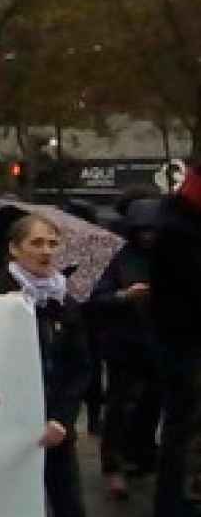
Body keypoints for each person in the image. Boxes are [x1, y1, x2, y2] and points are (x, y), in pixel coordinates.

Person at [0, 213, 113, 517]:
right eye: (37, 244)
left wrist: (62, 417)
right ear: (14, 249)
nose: (45, 252)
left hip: (55, 431)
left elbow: (80, 366)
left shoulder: (65, 301)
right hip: (4, 430)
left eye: (52, 244)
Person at [88, 198, 162, 500]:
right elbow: (95, 298)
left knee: (152, 402)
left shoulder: (165, 255)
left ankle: (142, 455)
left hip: (156, 340)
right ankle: (113, 463)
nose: (148, 236)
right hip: (122, 342)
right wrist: (122, 296)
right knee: (119, 404)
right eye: (142, 230)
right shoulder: (114, 257)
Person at [149, 160, 201, 517]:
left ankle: (179, 507)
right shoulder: (179, 231)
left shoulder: (176, 223)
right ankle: (172, 513)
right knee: (182, 430)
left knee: (182, 430)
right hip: (183, 343)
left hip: (179, 340)